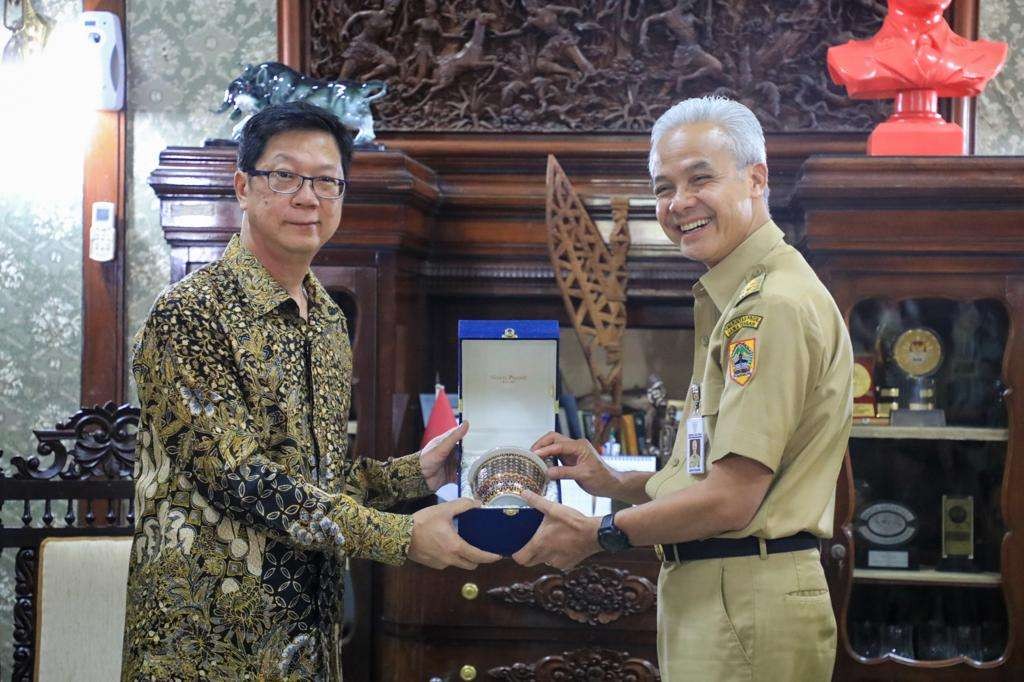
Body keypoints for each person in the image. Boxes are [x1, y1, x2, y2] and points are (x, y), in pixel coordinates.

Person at [120, 102, 499, 681]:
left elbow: (316, 478)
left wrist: (417, 474)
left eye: (327, 181)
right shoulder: (190, 314)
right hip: (206, 642)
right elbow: (241, 479)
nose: (308, 197)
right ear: (243, 187)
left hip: (308, 640)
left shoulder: (325, 319)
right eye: (285, 176)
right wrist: (400, 536)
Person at [514, 96, 853, 681]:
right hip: (723, 591)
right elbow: (715, 475)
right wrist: (618, 482)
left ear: (756, 178)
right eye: (663, 187)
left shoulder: (768, 307)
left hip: (744, 596)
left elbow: (732, 499)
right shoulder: (740, 297)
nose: (678, 204)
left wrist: (600, 534)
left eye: (701, 179)